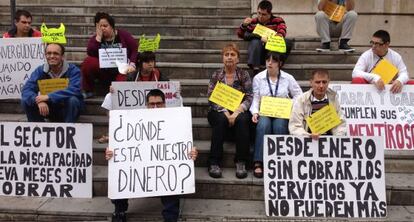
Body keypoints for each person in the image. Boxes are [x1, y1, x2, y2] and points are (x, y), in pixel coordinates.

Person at [105, 89, 198, 222]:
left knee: (173, 175)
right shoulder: (131, 121)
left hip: (163, 165)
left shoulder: (176, 121)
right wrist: (111, 153)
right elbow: (121, 145)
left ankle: (171, 216)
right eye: (152, 104)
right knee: (119, 171)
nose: (155, 107)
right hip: (138, 164)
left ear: (165, 104)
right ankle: (119, 211)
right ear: (146, 105)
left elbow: (183, 145)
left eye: (159, 104)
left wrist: (191, 151)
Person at [250, 51, 302, 178]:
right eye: (268, 60)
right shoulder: (259, 78)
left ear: (280, 64)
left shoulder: (288, 78)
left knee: (279, 126)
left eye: (273, 61)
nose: (270, 63)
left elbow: (299, 95)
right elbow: (255, 98)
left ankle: (281, 161)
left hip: (281, 111)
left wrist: (289, 104)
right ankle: (258, 161)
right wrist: (255, 112)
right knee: (263, 126)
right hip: (265, 110)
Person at [99, 51, 169, 143]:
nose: (151, 64)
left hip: (153, 106)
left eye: (152, 61)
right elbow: (123, 92)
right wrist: (113, 90)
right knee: (109, 96)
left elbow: (169, 88)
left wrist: (176, 89)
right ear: (140, 63)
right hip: (135, 109)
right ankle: (113, 131)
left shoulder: (159, 74)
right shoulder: (132, 75)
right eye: (147, 62)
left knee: (178, 97)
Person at [207, 43, 252, 179]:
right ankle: (214, 162)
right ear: (222, 58)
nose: (229, 57)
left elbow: (250, 96)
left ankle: (241, 162)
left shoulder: (244, 75)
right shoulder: (216, 75)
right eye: (226, 55)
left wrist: (238, 111)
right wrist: (225, 112)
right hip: (219, 110)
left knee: (243, 120)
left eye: (233, 55)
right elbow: (211, 97)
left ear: (238, 59)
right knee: (220, 120)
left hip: (239, 110)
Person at [21, 43, 83, 123]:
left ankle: (68, 130)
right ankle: (38, 129)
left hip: (67, 109)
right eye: (49, 53)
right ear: (45, 55)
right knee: (26, 100)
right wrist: (38, 100)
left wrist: (49, 96)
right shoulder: (40, 70)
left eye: (56, 53)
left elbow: (75, 90)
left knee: (73, 100)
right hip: (47, 109)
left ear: (62, 56)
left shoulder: (73, 71)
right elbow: (27, 89)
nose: (52, 56)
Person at [81, 12, 137, 98]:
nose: (103, 28)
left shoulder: (123, 35)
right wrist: (98, 39)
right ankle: (88, 90)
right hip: (104, 70)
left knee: (123, 75)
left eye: (105, 26)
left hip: (121, 69)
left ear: (111, 26)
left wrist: (132, 63)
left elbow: (134, 48)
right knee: (88, 61)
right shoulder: (96, 38)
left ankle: (116, 93)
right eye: (100, 26)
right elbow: (90, 52)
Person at [289, 69, 346, 139]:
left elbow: (341, 124)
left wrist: (336, 138)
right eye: (318, 82)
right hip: (308, 142)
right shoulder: (301, 100)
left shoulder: (333, 99)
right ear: (311, 82)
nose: (321, 86)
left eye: (324, 82)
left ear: (328, 82)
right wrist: (308, 136)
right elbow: (294, 126)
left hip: (330, 142)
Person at [237, 0, 287, 74]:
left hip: (271, 48)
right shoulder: (254, 22)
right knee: (255, 41)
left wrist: (269, 40)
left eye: (264, 14)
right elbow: (241, 35)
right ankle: (255, 70)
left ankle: (276, 65)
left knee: (287, 42)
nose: (260, 16)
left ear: (270, 14)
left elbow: (281, 33)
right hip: (257, 49)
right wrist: (244, 25)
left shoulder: (278, 20)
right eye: (259, 13)